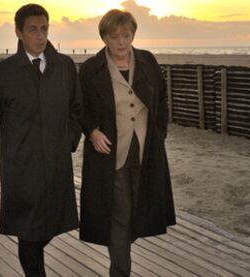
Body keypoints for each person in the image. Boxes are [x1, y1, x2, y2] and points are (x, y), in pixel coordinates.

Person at [0, 4, 82, 276]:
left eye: (44, 29)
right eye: (33, 29)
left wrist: (68, 141)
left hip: (56, 164)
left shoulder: (64, 66)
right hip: (21, 167)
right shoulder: (4, 72)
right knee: (29, 233)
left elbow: (77, 108)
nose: (40, 36)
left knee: (51, 225)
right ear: (19, 32)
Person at [79, 9, 176, 277]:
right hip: (111, 153)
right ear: (104, 38)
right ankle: (120, 271)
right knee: (119, 216)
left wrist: (159, 133)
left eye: (127, 35)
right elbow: (81, 108)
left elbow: (163, 99)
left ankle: (121, 253)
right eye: (115, 36)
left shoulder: (148, 61)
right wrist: (93, 132)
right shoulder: (91, 69)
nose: (122, 41)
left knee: (137, 213)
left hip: (146, 152)